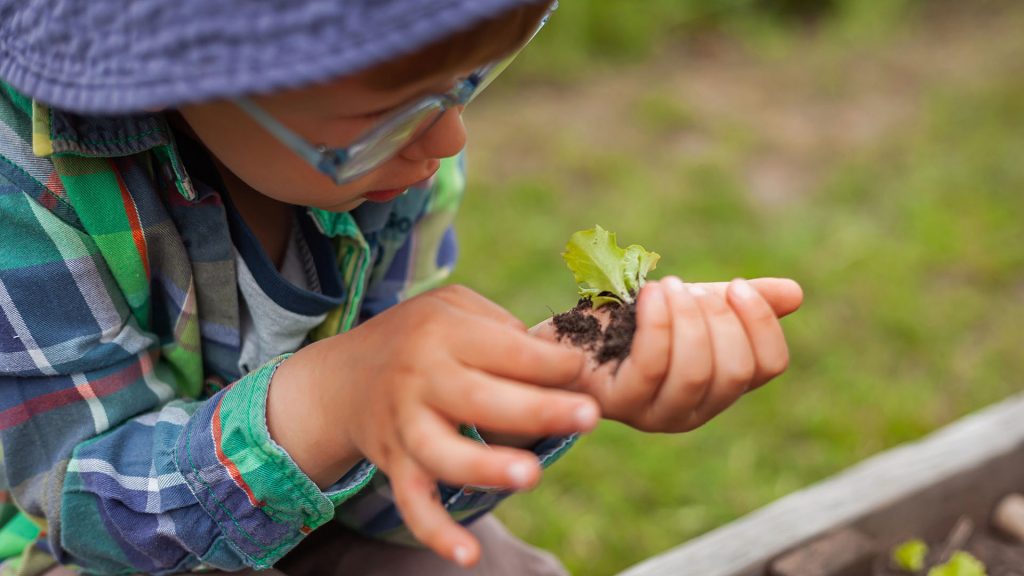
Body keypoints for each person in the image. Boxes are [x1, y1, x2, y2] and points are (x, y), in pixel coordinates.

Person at [0, 0, 803, 574]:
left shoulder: (390, 169)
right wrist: (331, 400)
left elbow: (381, 513)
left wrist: (555, 373)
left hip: (283, 531)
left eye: (472, 80)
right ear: (169, 70)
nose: (448, 137)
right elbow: (83, 522)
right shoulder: (28, 187)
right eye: (392, 113)